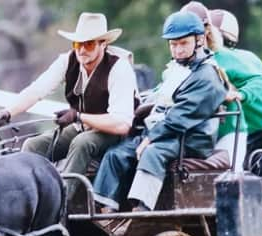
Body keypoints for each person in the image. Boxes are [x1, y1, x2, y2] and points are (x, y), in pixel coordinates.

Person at [0, 12, 138, 202]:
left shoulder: (119, 68)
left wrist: (78, 116)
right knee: (33, 145)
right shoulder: (68, 60)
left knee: (82, 143)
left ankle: (59, 205)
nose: (82, 50)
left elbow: (122, 124)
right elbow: (37, 90)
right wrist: (8, 111)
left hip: (114, 133)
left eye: (89, 44)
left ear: (103, 44)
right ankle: (24, 201)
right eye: (78, 44)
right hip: (81, 127)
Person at [93, 11, 227, 212]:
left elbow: (179, 118)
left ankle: (142, 209)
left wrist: (149, 139)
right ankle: (104, 208)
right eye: (173, 45)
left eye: (183, 43)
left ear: (199, 40)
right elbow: (160, 100)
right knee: (116, 154)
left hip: (190, 138)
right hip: (164, 134)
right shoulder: (178, 69)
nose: (178, 50)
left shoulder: (207, 77)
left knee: (152, 153)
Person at [209, 8, 262, 207]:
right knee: (246, 205)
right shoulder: (203, 63)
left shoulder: (236, 58)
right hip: (243, 137)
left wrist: (240, 94)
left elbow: (259, 83)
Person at [181, 1, 248, 171]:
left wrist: (238, 94)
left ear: (206, 31)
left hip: (228, 131)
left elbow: (256, 82)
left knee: (226, 183)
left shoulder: (225, 57)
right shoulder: (180, 62)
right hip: (196, 135)